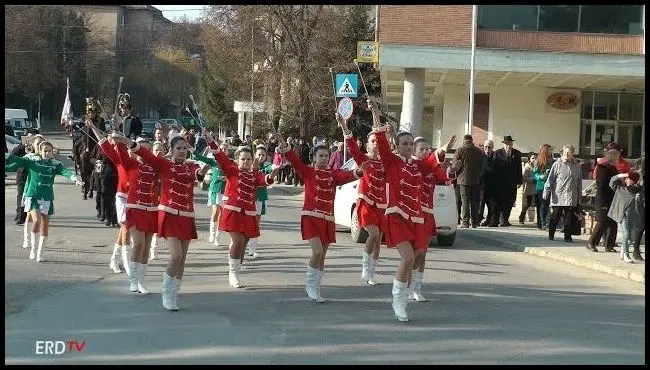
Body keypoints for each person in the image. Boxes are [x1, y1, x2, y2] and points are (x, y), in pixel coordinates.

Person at [368, 101, 446, 322]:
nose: (409, 147)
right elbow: (381, 141)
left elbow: (431, 164)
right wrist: (376, 114)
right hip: (396, 216)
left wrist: (443, 150)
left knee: (415, 257)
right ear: (397, 145)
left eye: (411, 144)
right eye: (405, 144)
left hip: (416, 218)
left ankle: (405, 297)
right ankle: (398, 301)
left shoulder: (416, 165)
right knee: (408, 257)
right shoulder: (391, 161)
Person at [113, 133, 210, 311]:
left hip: (187, 216)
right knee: (176, 256)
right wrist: (126, 141)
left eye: (184, 148)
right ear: (171, 151)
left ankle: (174, 293)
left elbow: (199, 175)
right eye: (178, 148)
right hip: (169, 214)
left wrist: (205, 166)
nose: (182, 151)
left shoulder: (192, 167)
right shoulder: (163, 164)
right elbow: (144, 153)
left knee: (182, 259)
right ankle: (165, 292)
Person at [278, 128, 365, 303]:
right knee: (317, 252)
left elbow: (346, 176)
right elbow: (295, 161)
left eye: (326, 156)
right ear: (314, 158)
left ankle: (316, 287)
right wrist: (286, 147)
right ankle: (310, 285)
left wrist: (359, 172)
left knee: (322, 255)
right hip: (311, 217)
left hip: (327, 219)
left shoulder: (332, 175)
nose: (324, 158)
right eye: (321, 156)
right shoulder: (308, 172)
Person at [202, 132, 280, 288]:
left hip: (249, 214)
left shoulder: (254, 175)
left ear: (252, 161)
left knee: (243, 244)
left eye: (249, 159)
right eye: (243, 159)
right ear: (237, 160)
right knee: (237, 241)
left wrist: (271, 176)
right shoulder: (232, 170)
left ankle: (236, 270)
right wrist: (211, 142)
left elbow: (263, 181)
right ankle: (232, 272)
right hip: (233, 212)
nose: (246, 162)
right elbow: (220, 157)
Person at [5, 141, 83, 262]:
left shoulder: (55, 164)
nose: (47, 153)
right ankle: (33, 249)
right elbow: (17, 160)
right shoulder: (32, 161)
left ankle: (40, 253)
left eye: (49, 151)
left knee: (45, 225)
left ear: (52, 152)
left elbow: (65, 172)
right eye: (45, 151)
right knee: (36, 220)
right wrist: (7, 155)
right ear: (40, 151)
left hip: (47, 197)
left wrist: (74, 178)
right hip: (34, 195)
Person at [339, 117, 387, 286]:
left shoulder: (386, 162)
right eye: (372, 141)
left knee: (379, 239)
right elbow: (352, 147)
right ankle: (365, 267)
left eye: (377, 141)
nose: (375, 143)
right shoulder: (363, 159)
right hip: (366, 202)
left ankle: (372, 272)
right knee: (373, 234)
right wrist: (345, 127)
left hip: (381, 203)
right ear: (367, 145)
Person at [411, 136, 451, 302]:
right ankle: (408, 286)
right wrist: (440, 151)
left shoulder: (430, 166)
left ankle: (417, 288)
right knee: (416, 251)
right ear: (414, 151)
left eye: (428, 149)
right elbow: (425, 166)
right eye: (422, 149)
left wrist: (452, 171)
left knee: (423, 252)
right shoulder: (413, 164)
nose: (426, 152)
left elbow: (442, 177)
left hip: (428, 213)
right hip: (414, 213)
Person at [96, 129, 132, 275]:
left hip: (136, 199)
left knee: (124, 230)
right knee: (126, 228)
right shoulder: (118, 157)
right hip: (122, 196)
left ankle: (115, 260)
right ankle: (126, 263)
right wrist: (93, 127)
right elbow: (104, 144)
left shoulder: (136, 158)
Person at [543, 145, 582, 243]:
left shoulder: (576, 165)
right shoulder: (557, 164)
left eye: (569, 152)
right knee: (555, 216)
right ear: (562, 153)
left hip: (571, 195)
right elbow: (551, 179)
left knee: (568, 217)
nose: (567, 154)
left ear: (572, 153)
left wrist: (579, 196)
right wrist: (547, 190)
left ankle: (567, 236)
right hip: (558, 195)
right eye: (565, 152)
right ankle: (551, 234)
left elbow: (579, 182)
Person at [587, 149, 620, 252]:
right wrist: (604, 201)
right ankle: (591, 242)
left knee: (612, 223)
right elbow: (601, 185)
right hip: (603, 199)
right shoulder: (603, 167)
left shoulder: (613, 168)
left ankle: (609, 246)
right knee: (602, 222)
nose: (618, 159)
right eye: (617, 156)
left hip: (612, 198)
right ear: (612, 157)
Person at [247, 145, 276, 258]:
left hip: (261, 198)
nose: (261, 157)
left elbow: (272, 168)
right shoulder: (249, 166)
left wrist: (275, 167)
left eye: (263, 155)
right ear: (255, 155)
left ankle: (252, 248)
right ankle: (243, 243)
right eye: (259, 154)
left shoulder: (266, 166)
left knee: (256, 223)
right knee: (247, 221)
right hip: (248, 198)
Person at [196, 141, 228, 247]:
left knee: (222, 214)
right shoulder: (213, 161)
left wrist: (227, 178)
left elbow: (235, 176)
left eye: (225, 149)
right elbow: (199, 157)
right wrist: (191, 149)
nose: (223, 150)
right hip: (214, 189)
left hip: (225, 191)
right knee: (216, 211)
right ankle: (212, 234)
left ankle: (217, 238)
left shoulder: (230, 162)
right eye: (221, 148)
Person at [607, 171, 644, 263]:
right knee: (626, 235)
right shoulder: (621, 189)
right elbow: (612, 181)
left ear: (634, 181)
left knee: (631, 238)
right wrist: (623, 175)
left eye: (629, 179)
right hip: (622, 215)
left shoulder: (640, 191)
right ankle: (626, 255)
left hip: (634, 217)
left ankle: (623, 250)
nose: (626, 180)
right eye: (626, 179)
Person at [450, 134, 484, 228]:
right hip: (476, 180)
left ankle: (465, 222)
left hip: (462, 180)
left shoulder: (460, 150)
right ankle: (475, 222)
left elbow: (454, 165)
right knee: (474, 201)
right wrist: (478, 175)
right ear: (472, 140)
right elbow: (482, 167)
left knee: (465, 201)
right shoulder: (478, 151)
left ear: (464, 140)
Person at [491, 135, 523, 226]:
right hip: (499, 183)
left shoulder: (517, 154)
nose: (509, 146)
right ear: (504, 144)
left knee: (509, 202)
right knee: (498, 202)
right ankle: (496, 220)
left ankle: (505, 220)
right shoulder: (497, 153)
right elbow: (493, 168)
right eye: (507, 144)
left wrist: (519, 181)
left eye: (510, 144)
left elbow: (519, 168)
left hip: (511, 182)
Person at [533, 144, 553, 230]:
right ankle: (542, 223)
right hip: (540, 186)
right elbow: (534, 173)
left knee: (546, 204)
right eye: (549, 150)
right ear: (545, 150)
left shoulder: (552, 160)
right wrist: (540, 177)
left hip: (549, 186)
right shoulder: (539, 161)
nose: (551, 151)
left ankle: (541, 222)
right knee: (541, 205)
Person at [518, 153, 538, 224]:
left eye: (535, 158)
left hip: (536, 188)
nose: (534, 160)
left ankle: (539, 220)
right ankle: (521, 217)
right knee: (527, 204)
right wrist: (534, 179)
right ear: (529, 159)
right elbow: (525, 177)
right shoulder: (527, 166)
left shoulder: (537, 166)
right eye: (533, 158)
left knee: (538, 204)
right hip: (529, 188)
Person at [480, 140, 496, 227]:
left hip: (492, 184)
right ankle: (478, 218)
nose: (487, 149)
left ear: (492, 148)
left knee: (491, 204)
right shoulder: (480, 156)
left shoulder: (495, 156)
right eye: (485, 147)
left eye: (489, 147)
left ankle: (490, 219)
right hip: (482, 184)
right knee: (481, 202)